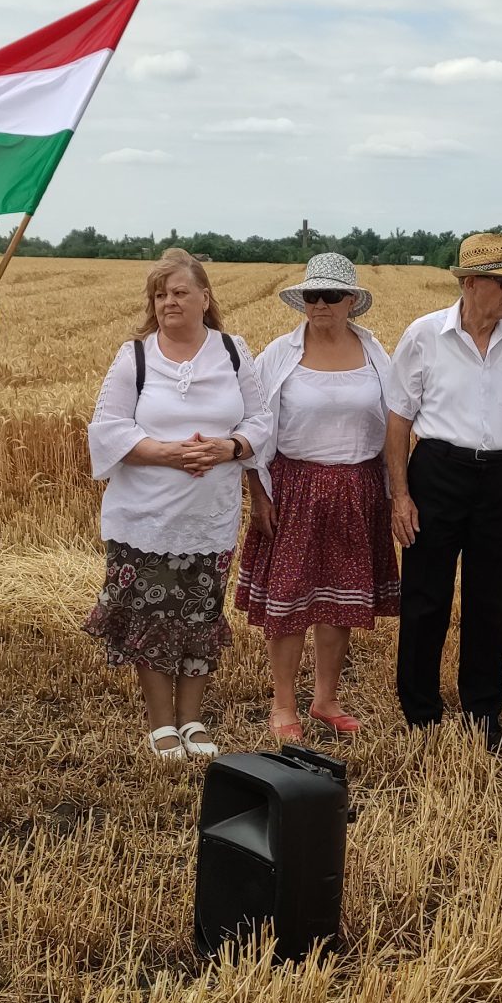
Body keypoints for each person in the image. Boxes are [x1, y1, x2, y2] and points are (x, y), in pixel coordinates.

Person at [85, 249, 265, 760]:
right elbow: (108, 429)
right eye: (160, 294)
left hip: (210, 519)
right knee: (152, 620)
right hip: (145, 519)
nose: (169, 301)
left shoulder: (233, 352)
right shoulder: (135, 357)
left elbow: (261, 421)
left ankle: (193, 720)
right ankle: (162, 724)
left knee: (200, 616)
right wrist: (168, 453)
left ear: (205, 298)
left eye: (180, 292)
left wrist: (229, 448)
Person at [386, 232, 502, 745]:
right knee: (425, 596)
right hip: (438, 473)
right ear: (470, 283)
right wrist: (400, 496)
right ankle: (420, 713)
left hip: (500, 479)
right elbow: (398, 420)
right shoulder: (423, 336)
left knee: (489, 601)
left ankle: (484, 714)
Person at [237, 253, 399, 741]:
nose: (320, 304)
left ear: (351, 301)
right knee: (289, 601)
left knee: (339, 600)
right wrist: (258, 495)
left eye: (330, 295)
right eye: (312, 295)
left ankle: (326, 699)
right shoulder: (278, 355)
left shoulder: (376, 354)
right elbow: (253, 426)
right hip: (295, 488)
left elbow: (397, 421)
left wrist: (395, 491)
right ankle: (283, 706)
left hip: (358, 488)